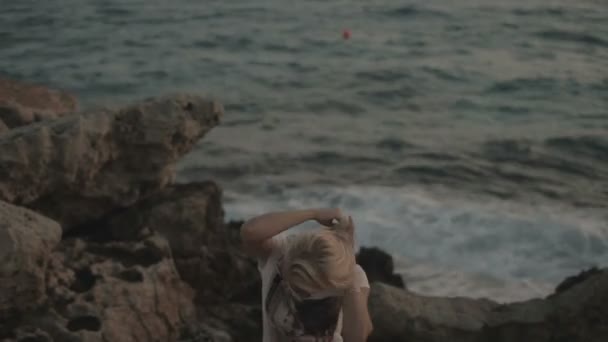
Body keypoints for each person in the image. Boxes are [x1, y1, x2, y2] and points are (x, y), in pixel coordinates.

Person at [240, 208, 373, 342]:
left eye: (301, 291)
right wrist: (313, 214)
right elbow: (250, 231)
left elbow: (357, 337)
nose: (288, 287)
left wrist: (350, 274)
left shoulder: (351, 278)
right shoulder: (279, 253)